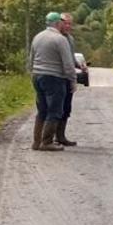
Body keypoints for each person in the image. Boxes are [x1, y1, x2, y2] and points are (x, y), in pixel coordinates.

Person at [27, 12, 74, 152]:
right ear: (57, 23)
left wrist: (33, 72)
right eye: (61, 22)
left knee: (42, 110)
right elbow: (68, 64)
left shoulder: (38, 37)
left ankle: (36, 142)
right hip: (54, 77)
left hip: (37, 76)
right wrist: (72, 80)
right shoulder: (60, 39)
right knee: (54, 110)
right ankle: (46, 142)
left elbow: (31, 59)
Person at [57, 12, 79, 146]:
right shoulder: (57, 38)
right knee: (56, 107)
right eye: (65, 23)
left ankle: (61, 136)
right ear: (59, 23)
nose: (67, 26)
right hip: (58, 76)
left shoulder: (70, 39)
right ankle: (53, 136)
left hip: (68, 77)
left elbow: (71, 56)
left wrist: (78, 64)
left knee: (66, 107)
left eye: (70, 23)